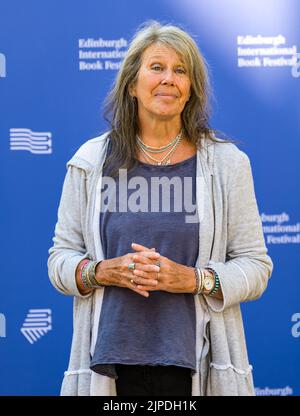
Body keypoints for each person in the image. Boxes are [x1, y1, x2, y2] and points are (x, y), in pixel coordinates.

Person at [48, 21, 273, 396]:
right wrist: (103, 271)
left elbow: (256, 265)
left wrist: (194, 279)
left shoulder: (227, 163)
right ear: (132, 85)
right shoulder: (90, 162)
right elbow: (60, 260)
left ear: (190, 91)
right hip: (111, 368)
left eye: (180, 70)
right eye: (157, 67)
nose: (169, 78)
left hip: (195, 366)